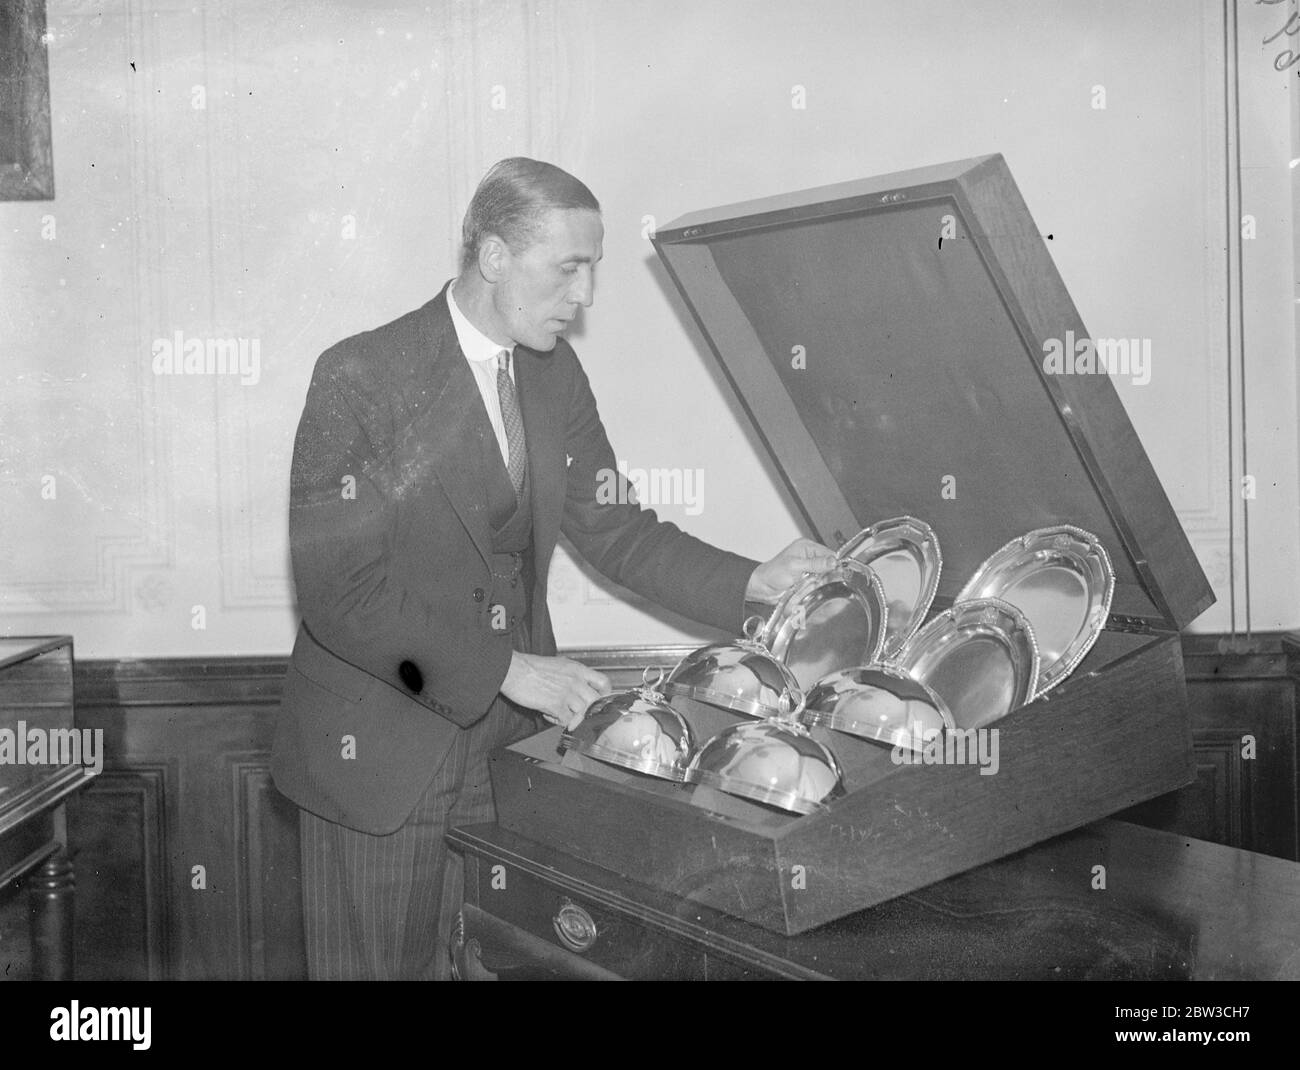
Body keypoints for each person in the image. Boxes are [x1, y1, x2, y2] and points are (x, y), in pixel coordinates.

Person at [271, 157, 836, 980]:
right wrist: (507, 668)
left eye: (593, 269)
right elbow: (340, 595)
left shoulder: (551, 372)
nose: (587, 295)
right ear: (494, 256)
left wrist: (757, 580)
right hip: (376, 761)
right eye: (570, 268)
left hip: (507, 757)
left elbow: (616, 530)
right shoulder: (358, 376)